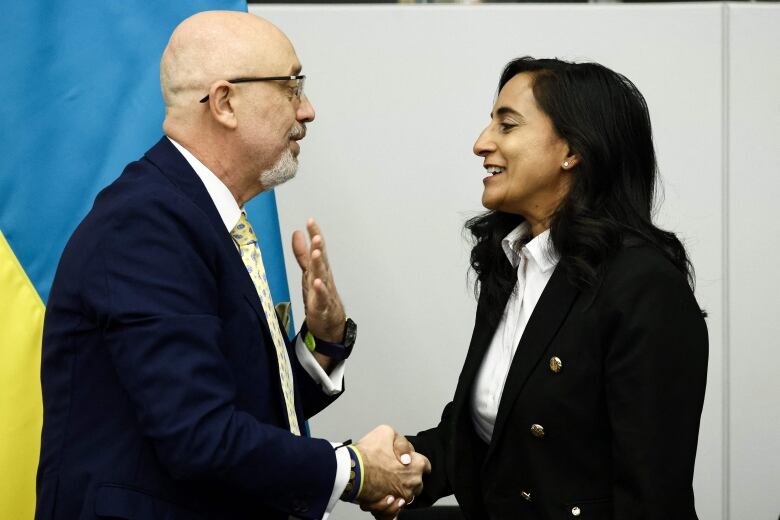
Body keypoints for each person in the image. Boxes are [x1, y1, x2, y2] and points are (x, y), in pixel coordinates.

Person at [35, 11, 428, 520]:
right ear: (224, 103)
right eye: (292, 87)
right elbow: (200, 435)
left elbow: (237, 403)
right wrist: (354, 470)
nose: (307, 110)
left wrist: (321, 344)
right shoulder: (146, 225)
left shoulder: (193, 215)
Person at [369, 57, 708, 520]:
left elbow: (651, 495)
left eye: (506, 125)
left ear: (571, 150)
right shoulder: (510, 263)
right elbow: (491, 430)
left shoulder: (644, 287)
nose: (480, 143)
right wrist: (407, 464)